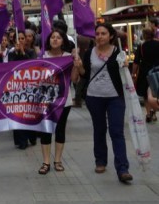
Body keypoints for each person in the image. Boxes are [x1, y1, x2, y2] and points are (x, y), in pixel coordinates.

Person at [76, 23, 133, 183]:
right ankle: (100, 160)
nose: (100, 36)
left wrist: (125, 66)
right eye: (98, 33)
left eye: (103, 33)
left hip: (115, 97)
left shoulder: (118, 52)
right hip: (94, 97)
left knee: (117, 131)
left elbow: (124, 74)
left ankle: (123, 168)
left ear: (111, 36)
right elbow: (85, 74)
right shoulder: (89, 53)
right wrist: (79, 67)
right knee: (99, 129)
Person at [38, 30, 80, 174]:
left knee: (60, 129)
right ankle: (45, 162)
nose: (55, 40)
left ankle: (58, 160)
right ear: (49, 40)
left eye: (58, 37)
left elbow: (74, 79)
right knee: (46, 130)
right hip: (45, 101)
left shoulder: (69, 57)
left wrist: (76, 65)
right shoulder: (42, 57)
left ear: (63, 41)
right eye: (53, 37)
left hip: (64, 100)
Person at [8, 30, 38, 149]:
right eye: (18, 39)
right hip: (16, 88)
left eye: (22, 38)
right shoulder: (11, 53)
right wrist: (16, 52)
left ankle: (32, 136)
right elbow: (10, 66)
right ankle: (21, 141)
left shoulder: (31, 52)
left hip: (30, 87)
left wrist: (22, 52)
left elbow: (32, 65)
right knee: (19, 113)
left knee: (29, 113)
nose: (20, 41)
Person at [132, 28, 159, 122]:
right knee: (156, 93)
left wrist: (133, 73)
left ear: (143, 35)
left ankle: (148, 113)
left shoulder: (141, 46)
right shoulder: (158, 44)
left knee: (145, 94)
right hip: (157, 72)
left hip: (145, 73)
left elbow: (136, 62)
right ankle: (154, 112)